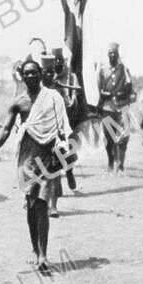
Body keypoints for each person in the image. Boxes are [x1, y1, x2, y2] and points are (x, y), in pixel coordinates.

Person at [0, 60, 71, 274]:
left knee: (41, 203)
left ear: (41, 74)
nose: (30, 76)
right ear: (22, 77)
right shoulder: (19, 102)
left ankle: (43, 254)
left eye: (34, 73)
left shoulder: (53, 98)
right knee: (32, 205)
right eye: (27, 73)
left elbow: (62, 128)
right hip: (27, 156)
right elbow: (5, 129)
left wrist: (62, 148)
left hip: (48, 154)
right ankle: (35, 248)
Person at [96, 42, 135, 173]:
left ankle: (121, 163)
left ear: (118, 55)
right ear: (108, 55)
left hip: (122, 106)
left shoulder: (123, 68)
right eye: (110, 53)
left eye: (114, 53)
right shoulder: (102, 69)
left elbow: (130, 87)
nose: (112, 55)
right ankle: (111, 160)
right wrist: (102, 96)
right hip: (107, 107)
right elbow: (98, 88)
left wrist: (124, 93)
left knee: (124, 136)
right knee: (108, 136)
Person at [52, 46, 83, 194]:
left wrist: (68, 92)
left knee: (69, 151)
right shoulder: (48, 75)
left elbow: (77, 90)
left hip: (70, 118)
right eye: (55, 60)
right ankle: (56, 186)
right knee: (54, 152)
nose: (58, 63)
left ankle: (69, 172)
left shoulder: (71, 76)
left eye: (60, 60)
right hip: (52, 119)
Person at [38, 54, 66, 218]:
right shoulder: (35, 89)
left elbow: (67, 108)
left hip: (55, 132)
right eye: (46, 72)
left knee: (55, 170)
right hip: (37, 132)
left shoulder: (59, 89)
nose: (49, 75)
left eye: (51, 72)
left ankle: (53, 206)